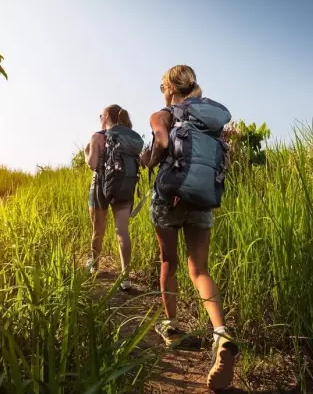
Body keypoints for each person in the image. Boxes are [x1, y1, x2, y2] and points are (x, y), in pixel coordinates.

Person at [139, 65, 239, 390]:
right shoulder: (208, 118)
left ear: (169, 86)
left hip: (169, 198)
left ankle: (170, 328)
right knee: (200, 271)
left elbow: (161, 143)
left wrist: (148, 159)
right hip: (201, 200)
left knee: (169, 262)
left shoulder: (163, 113)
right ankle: (221, 334)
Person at [84, 104, 143, 291]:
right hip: (124, 185)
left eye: (100, 114)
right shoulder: (129, 137)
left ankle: (94, 264)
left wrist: (86, 152)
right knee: (122, 231)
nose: (99, 117)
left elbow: (93, 164)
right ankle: (126, 278)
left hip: (101, 184)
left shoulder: (98, 136)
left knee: (98, 229)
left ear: (107, 116)